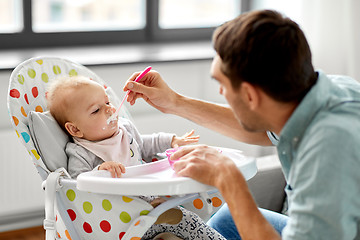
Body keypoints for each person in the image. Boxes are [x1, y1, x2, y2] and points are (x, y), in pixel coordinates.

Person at [123, 9, 360, 240]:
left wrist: (229, 180)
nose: (220, 91)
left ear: (249, 95)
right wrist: (175, 102)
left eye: (222, 84)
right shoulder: (321, 94)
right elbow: (265, 128)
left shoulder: (328, 148)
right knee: (225, 219)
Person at [46, 75, 226, 240]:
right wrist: (99, 171)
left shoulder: (125, 130)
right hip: (120, 216)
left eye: (107, 102)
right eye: (96, 110)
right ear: (75, 129)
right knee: (184, 219)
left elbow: (145, 144)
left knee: (185, 215)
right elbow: (77, 187)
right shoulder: (80, 152)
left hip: (151, 201)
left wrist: (171, 140)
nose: (109, 110)